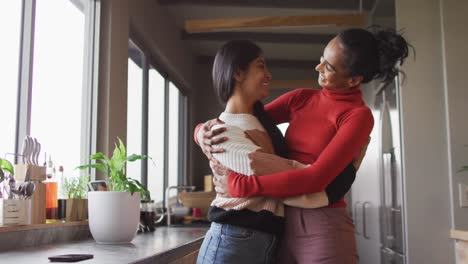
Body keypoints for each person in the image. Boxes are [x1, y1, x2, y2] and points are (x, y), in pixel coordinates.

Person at [197, 28, 411, 263]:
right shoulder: (301, 98)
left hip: (322, 225)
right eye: (321, 60)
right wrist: (201, 132)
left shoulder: (357, 116)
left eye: (328, 67)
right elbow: (241, 121)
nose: (318, 68)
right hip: (280, 226)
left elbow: (316, 178)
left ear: (354, 80)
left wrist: (245, 186)